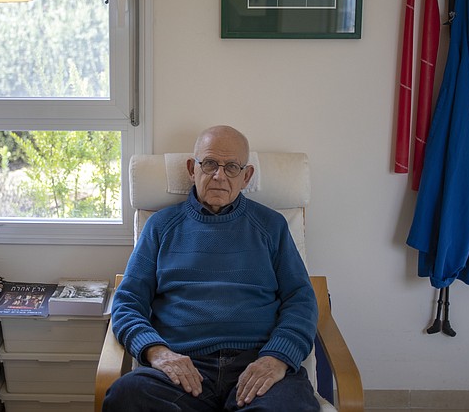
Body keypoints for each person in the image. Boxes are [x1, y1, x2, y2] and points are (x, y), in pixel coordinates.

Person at [103, 125, 319, 411]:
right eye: (209, 164)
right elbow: (127, 302)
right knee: (127, 395)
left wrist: (276, 358)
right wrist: (157, 352)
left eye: (231, 167)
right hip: (181, 369)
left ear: (246, 176)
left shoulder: (271, 226)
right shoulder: (160, 226)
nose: (219, 175)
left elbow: (301, 300)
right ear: (193, 169)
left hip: (256, 363)